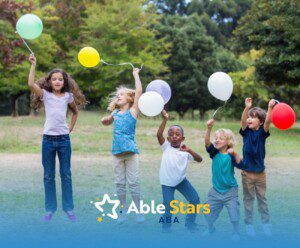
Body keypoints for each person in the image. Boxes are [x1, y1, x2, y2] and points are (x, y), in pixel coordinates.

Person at [28, 54, 87, 222]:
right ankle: (50, 209)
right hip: (48, 140)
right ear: (49, 81)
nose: (57, 82)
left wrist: (71, 127)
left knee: (66, 174)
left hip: (63, 140)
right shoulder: (45, 95)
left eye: (60, 79)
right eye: (54, 79)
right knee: (48, 176)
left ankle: (69, 209)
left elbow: (75, 112)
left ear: (64, 82)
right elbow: (31, 84)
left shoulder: (68, 97)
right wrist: (33, 64)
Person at [101, 68, 143, 224]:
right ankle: (122, 213)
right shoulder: (116, 113)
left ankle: (139, 212)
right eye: (117, 95)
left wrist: (135, 74)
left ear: (130, 98)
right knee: (119, 184)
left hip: (131, 153)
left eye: (122, 94)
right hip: (117, 154)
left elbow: (139, 91)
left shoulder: (133, 111)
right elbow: (107, 121)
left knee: (133, 182)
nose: (118, 96)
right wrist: (104, 121)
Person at [157, 110, 202, 233]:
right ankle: (166, 228)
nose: (174, 136)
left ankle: (190, 224)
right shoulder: (166, 147)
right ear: (168, 138)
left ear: (183, 137)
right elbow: (158, 135)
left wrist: (189, 150)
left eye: (177, 134)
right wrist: (165, 119)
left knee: (194, 199)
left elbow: (199, 159)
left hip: (181, 181)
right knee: (168, 205)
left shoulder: (185, 151)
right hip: (167, 182)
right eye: (171, 134)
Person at [240, 98, 275, 237]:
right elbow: (243, 121)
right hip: (247, 174)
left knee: (262, 200)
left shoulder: (262, 133)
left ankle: (266, 224)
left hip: (260, 174)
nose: (249, 119)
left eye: (253, 118)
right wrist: (247, 108)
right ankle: (249, 225)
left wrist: (270, 108)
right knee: (248, 200)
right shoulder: (246, 132)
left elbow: (268, 122)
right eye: (249, 117)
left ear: (259, 122)